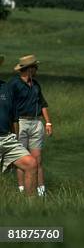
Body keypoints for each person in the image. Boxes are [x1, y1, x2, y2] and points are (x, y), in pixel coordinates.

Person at [5, 55, 53, 196]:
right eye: (35, 67)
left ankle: (41, 190)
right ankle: (22, 189)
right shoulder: (13, 84)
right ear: (28, 69)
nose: (37, 69)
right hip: (20, 122)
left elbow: (42, 104)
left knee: (37, 159)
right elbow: (7, 104)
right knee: (23, 158)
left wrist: (48, 122)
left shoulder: (36, 84)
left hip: (36, 122)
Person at [0, 55, 38, 196]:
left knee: (31, 164)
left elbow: (14, 116)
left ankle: (30, 207)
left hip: (8, 139)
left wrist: (14, 137)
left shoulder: (6, 87)